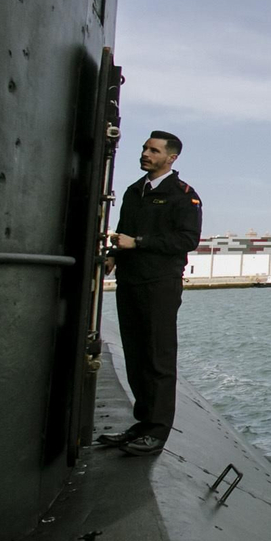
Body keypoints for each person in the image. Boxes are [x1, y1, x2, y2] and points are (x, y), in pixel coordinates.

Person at [98, 131, 203, 456]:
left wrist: (138, 243)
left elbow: (187, 240)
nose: (145, 154)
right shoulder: (134, 192)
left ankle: (157, 432)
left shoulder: (183, 196)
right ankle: (142, 423)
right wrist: (114, 255)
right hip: (130, 282)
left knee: (158, 357)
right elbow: (125, 230)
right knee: (136, 355)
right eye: (145, 148)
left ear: (171, 158)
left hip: (159, 285)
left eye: (153, 150)